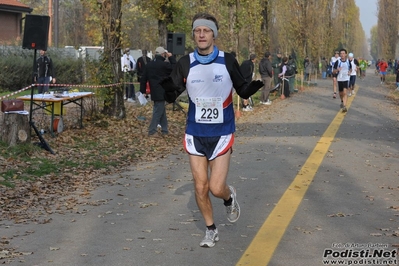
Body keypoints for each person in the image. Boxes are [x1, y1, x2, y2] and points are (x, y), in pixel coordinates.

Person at [160, 12, 263, 248]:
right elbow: (172, 94)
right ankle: (210, 229)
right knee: (200, 186)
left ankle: (229, 197)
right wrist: (166, 89)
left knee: (216, 188)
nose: (201, 34)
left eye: (206, 30)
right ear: (194, 35)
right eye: (197, 31)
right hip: (195, 133)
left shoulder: (227, 60)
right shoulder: (185, 63)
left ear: (213, 34)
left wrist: (251, 89)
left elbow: (241, 89)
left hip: (222, 131)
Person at [139, 47, 175, 136]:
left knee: (161, 110)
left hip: (154, 91)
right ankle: (152, 130)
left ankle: (165, 130)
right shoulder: (164, 65)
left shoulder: (149, 65)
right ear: (163, 54)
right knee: (158, 111)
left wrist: (143, 90)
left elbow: (143, 79)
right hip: (163, 91)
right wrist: (171, 57)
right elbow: (175, 68)